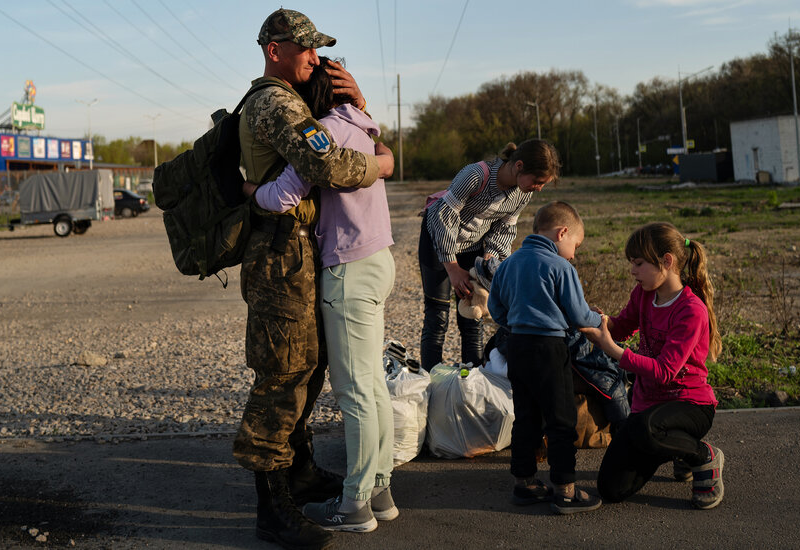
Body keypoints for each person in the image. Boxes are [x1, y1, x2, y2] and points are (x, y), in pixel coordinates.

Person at [236, 9, 394, 550]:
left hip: (301, 256)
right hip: (279, 260)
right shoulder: (276, 103)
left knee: (309, 368)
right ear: (273, 50)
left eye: (316, 49)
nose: (315, 56)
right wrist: (382, 160)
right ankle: (271, 507)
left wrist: (360, 107)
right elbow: (329, 165)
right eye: (304, 48)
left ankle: (300, 475)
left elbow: (334, 140)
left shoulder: (298, 101)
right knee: (281, 376)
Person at [579, 222, 725, 510]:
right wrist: (600, 322)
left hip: (690, 405)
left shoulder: (691, 310)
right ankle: (672, 450)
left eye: (638, 263)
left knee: (647, 430)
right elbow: (620, 328)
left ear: (666, 262)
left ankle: (701, 455)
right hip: (649, 409)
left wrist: (611, 349)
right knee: (611, 488)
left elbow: (664, 371)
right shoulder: (644, 294)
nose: (632, 271)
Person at [487, 201, 604, 515]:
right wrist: (599, 320)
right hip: (549, 348)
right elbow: (578, 314)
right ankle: (565, 488)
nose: (574, 254)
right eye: (575, 245)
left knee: (526, 416)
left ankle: (524, 483)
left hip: (517, 346)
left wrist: (514, 321)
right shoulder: (561, 267)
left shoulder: (509, 264)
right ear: (562, 232)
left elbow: (495, 308)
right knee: (560, 418)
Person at [420, 139, 559, 371]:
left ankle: (471, 378)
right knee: (437, 315)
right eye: (538, 181)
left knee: (474, 314)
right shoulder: (476, 175)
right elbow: (444, 217)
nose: (539, 188)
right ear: (519, 166)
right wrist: (453, 268)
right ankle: (431, 381)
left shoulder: (522, 193)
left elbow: (504, 229)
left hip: (474, 244)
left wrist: (488, 263)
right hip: (439, 240)